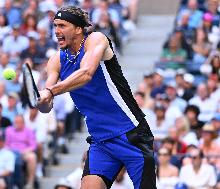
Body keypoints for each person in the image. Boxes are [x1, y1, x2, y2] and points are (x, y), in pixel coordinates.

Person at [36, 6, 156, 189]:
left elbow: (86, 73)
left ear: (78, 29)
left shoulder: (96, 39)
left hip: (130, 132)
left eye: (62, 26)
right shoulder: (56, 61)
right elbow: (47, 106)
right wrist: (41, 101)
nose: (57, 31)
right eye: (55, 26)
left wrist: (50, 91)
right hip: (100, 140)